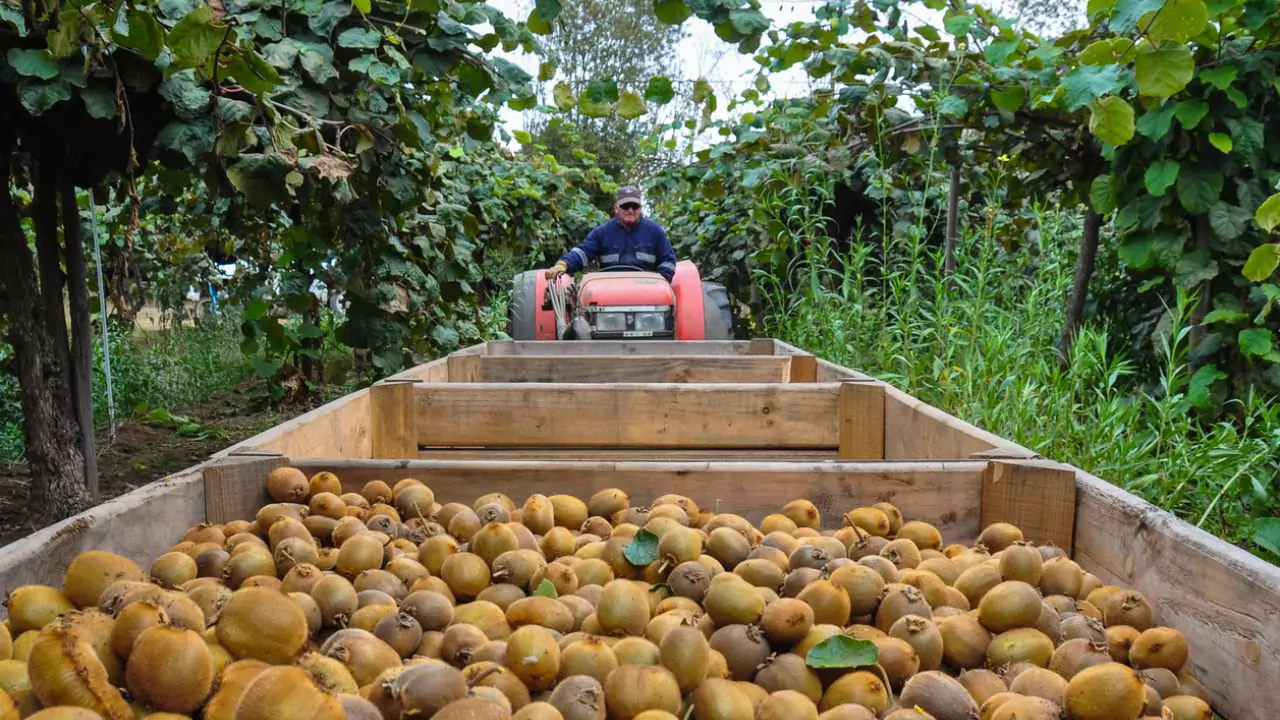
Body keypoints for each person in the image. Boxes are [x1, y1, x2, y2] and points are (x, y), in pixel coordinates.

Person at [546, 185, 678, 282]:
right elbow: (583, 252)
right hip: (609, 291)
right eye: (626, 206)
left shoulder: (655, 231)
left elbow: (668, 261)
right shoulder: (602, 232)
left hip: (647, 291)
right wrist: (564, 263)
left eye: (635, 206)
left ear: (640, 208)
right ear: (616, 208)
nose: (630, 210)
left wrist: (660, 283)